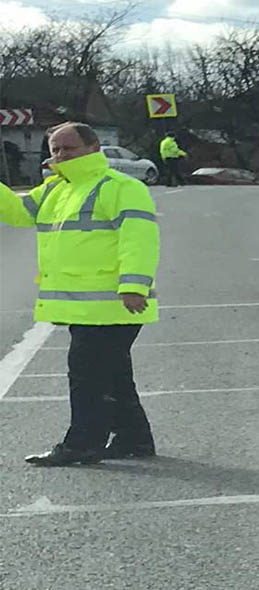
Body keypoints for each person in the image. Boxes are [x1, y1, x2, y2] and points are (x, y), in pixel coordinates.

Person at [0, 122, 160, 466]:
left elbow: (139, 239)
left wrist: (134, 285)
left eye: (68, 148)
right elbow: (18, 213)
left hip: (114, 303)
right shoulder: (56, 189)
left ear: (93, 147)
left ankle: (82, 444)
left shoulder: (120, 187)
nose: (59, 155)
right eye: (55, 149)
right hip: (86, 307)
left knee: (87, 375)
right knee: (113, 373)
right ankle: (134, 439)